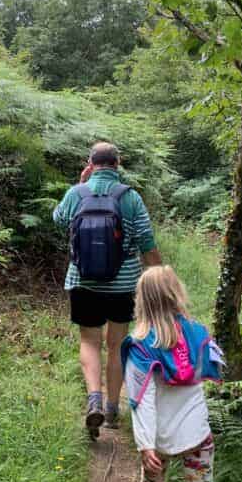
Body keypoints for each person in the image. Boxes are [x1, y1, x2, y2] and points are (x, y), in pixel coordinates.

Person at [120, 265, 233, 482]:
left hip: (162, 438)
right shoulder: (199, 334)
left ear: (142, 300)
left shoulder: (141, 347)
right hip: (198, 435)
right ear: (175, 294)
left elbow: (143, 401)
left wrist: (145, 445)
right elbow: (208, 380)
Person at [53, 141, 161, 436]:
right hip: (122, 284)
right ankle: (113, 409)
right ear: (118, 164)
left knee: (89, 341)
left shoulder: (77, 193)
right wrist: (161, 277)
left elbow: (59, 219)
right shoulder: (131, 198)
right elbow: (146, 243)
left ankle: (94, 400)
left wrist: (79, 184)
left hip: (83, 281)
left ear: (91, 163)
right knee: (116, 344)